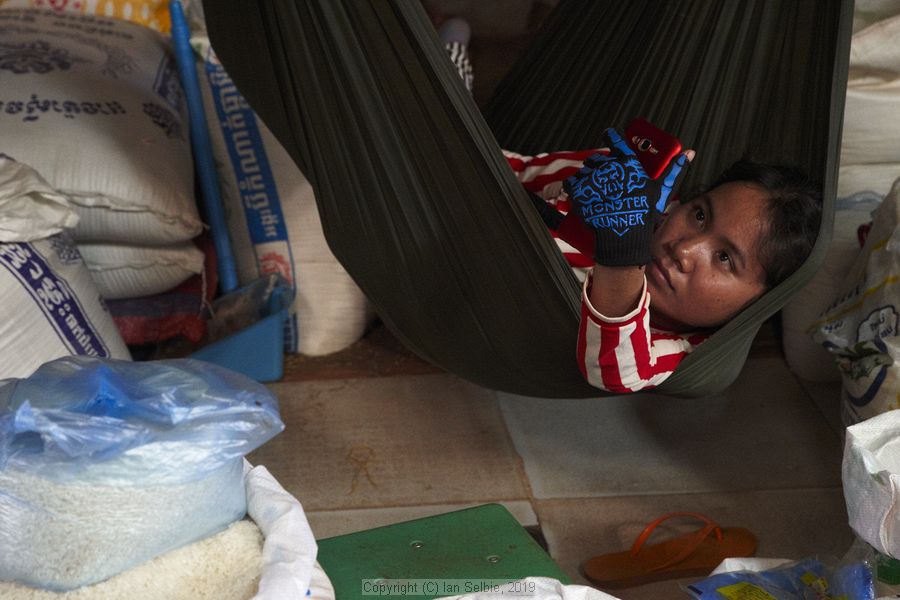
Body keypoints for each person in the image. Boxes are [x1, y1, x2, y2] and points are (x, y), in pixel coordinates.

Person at [507, 130, 822, 393]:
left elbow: (614, 372)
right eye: (700, 215)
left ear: (760, 302)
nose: (683, 250)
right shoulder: (627, 190)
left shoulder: (679, 347)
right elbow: (509, 172)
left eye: (725, 258)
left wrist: (623, 250)